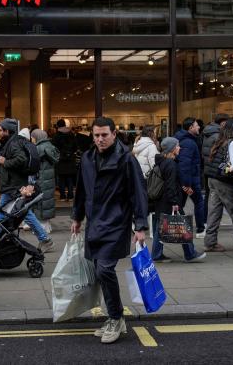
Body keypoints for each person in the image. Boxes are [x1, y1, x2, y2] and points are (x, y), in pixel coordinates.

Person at [71, 117, 148, 344]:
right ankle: (115, 318)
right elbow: (81, 190)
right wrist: (76, 216)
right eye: (96, 135)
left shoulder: (126, 160)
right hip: (94, 223)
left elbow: (138, 193)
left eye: (104, 134)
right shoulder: (87, 158)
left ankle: (116, 318)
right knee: (99, 271)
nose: (100, 139)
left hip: (116, 223)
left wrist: (140, 226)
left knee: (105, 269)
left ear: (114, 134)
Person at [0, 118, 54, 252]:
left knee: (1, 213)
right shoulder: (12, 141)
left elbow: (21, 159)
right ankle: (44, 239)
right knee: (22, 212)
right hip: (13, 184)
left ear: (7, 131)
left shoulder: (14, 143)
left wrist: (5, 162)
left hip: (13, 186)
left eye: (0, 130)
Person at [151, 137, 207, 263]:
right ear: (171, 148)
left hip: (162, 200)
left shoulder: (162, 161)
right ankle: (190, 254)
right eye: (177, 146)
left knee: (160, 228)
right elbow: (170, 185)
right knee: (183, 226)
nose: (179, 148)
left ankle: (156, 254)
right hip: (169, 201)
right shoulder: (170, 163)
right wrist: (175, 203)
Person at [203, 123, 233, 252]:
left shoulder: (217, 141)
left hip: (212, 178)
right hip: (224, 181)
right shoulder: (231, 143)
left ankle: (210, 242)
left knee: (214, 211)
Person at [175, 117, 206, 237]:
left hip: (186, 179)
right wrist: (186, 185)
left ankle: (178, 228)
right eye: (196, 125)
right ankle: (200, 229)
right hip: (190, 180)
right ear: (190, 128)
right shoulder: (189, 142)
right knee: (198, 202)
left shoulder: (184, 139)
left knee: (180, 204)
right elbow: (185, 165)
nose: (199, 127)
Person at [31, 129, 60, 233]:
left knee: (41, 202)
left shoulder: (38, 148)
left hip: (42, 178)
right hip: (49, 178)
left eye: (33, 137)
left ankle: (42, 229)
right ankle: (47, 226)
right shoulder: (50, 146)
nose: (32, 140)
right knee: (47, 200)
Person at [201, 114, 230, 221]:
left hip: (208, 169)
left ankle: (205, 220)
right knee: (222, 196)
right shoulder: (218, 135)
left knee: (210, 196)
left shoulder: (207, 133)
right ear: (222, 123)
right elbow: (221, 153)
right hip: (216, 170)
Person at [51, 119, 78, 201]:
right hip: (70, 160)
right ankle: (70, 196)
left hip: (60, 160)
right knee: (69, 178)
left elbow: (54, 148)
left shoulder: (56, 136)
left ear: (58, 126)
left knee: (61, 179)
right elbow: (75, 147)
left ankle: (62, 196)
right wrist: (70, 153)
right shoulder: (71, 134)